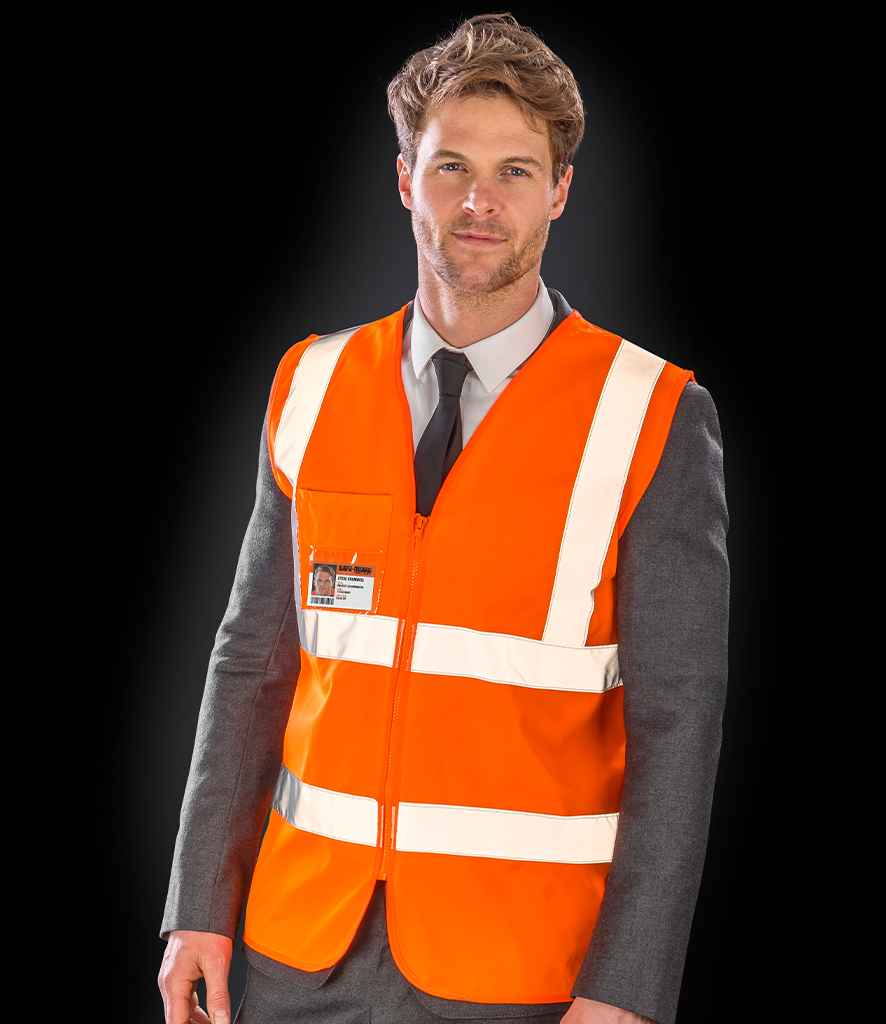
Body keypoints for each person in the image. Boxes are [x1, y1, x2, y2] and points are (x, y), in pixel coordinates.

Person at [157, 12, 729, 1024]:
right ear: (403, 179)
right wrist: (199, 907)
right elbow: (251, 663)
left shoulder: (650, 412)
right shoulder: (312, 382)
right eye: (451, 165)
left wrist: (626, 989)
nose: (479, 201)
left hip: (520, 972)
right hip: (299, 953)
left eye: (516, 171)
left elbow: (678, 722)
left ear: (559, 190)